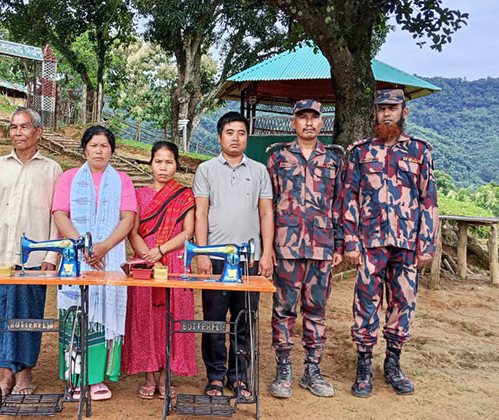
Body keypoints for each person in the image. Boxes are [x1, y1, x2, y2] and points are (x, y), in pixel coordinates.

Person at [341, 88, 439, 398]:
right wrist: (351, 242)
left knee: (403, 303)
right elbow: (349, 199)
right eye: (382, 108)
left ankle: (393, 363)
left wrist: (426, 244)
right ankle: (364, 365)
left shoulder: (420, 152)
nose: (386, 114)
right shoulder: (360, 152)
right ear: (375, 112)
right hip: (371, 242)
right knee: (366, 303)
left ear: (403, 113)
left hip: (407, 243)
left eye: (392, 108)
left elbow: (429, 201)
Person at [0, 107, 63, 396]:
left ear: (38, 132)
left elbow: (57, 216)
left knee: (30, 316)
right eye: (13, 127)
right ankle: (4, 373)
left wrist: (52, 256)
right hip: (1, 256)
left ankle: (25, 373)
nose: (17, 133)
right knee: (3, 314)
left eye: (24, 127)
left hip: (36, 259)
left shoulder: (52, 169)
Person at [192, 111, 275, 399]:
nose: (235, 138)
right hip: (215, 258)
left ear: (246, 137)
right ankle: (215, 376)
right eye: (230, 132)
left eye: (241, 132)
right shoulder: (206, 170)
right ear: (219, 137)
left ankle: (239, 377)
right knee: (213, 320)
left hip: (249, 260)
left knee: (245, 320)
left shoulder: (260, 171)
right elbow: (201, 212)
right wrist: (202, 253)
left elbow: (266, 212)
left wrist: (267, 252)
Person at [51, 125, 137, 401]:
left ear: (111, 150)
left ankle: (98, 379)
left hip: (110, 257)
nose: (99, 150)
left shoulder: (122, 180)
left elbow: (128, 218)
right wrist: (84, 245)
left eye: (104, 146)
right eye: (93, 145)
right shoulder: (69, 178)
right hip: (76, 256)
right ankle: (76, 378)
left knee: (105, 313)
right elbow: (60, 214)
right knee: (76, 313)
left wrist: (104, 247)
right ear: (84, 148)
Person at [267, 99, 344, 399]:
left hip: (322, 248)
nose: (308, 123)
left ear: (322, 123)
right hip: (286, 247)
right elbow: (268, 206)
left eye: (314, 117)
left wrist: (339, 244)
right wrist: (268, 246)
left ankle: (312, 370)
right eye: (303, 118)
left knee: (317, 311)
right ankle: (283, 368)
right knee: (283, 310)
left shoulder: (333, 161)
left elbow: (338, 206)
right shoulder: (279, 158)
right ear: (293, 123)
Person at [124, 141, 196, 400]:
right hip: (144, 264)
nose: (163, 167)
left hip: (174, 261)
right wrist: (147, 256)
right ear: (150, 163)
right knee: (146, 319)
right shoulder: (139, 194)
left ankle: (167, 375)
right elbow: (132, 231)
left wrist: (161, 251)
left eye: (168, 162)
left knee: (172, 317)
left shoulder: (184, 195)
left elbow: (189, 232)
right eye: (158, 161)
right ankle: (149, 374)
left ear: (176, 165)